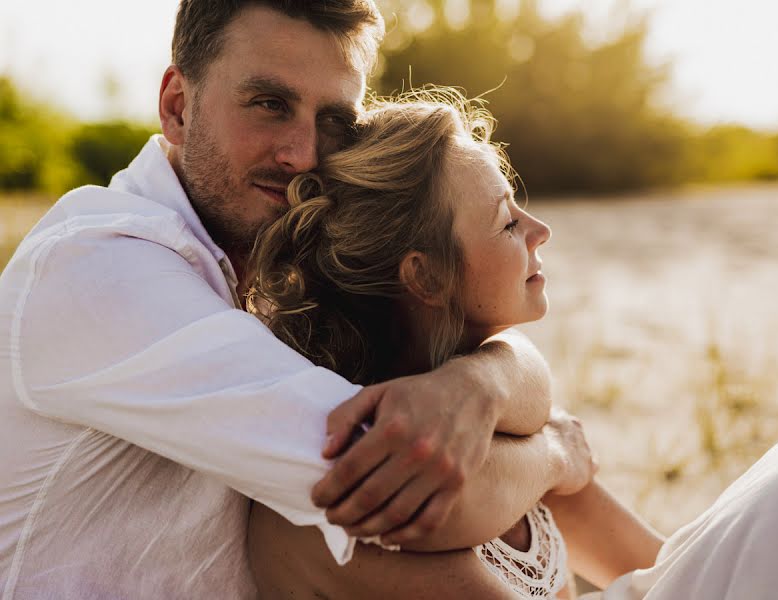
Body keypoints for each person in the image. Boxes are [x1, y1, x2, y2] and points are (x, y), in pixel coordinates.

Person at [0, 2, 594, 597]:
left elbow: (495, 364)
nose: (304, 154)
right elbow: (405, 480)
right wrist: (555, 453)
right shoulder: (103, 266)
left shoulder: (281, 276)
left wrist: (479, 387)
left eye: (335, 119)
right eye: (269, 104)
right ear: (178, 106)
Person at [243, 92, 778, 599]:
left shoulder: (495, 424)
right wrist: (555, 454)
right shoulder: (350, 495)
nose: (540, 229)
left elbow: (659, 563)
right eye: (506, 220)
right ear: (426, 275)